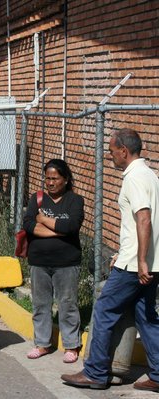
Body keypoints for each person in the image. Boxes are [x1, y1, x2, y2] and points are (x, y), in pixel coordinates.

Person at [61, 128, 159, 392]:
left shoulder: (134, 178)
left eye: (112, 151)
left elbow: (144, 219)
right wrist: (131, 252)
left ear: (124, 151)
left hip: (135, 266)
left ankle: (95, 372)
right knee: (146, 316)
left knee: (104, 311)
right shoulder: (150, 175)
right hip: (149, 261)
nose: (110, 156)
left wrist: (138, 260)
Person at [23, 159, 84, 363]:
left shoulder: (75, 200)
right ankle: (42, 344)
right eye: (47, 178)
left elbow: (72, 226)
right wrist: (57, 230)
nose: (50, 183)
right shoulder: (37, 199)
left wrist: (45, 221)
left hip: (67, 262)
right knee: (41, 304)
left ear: (65, 180)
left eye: (55, 179)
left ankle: (71, 345)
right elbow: (29, 225)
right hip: (39, 261)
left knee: (67, 304)